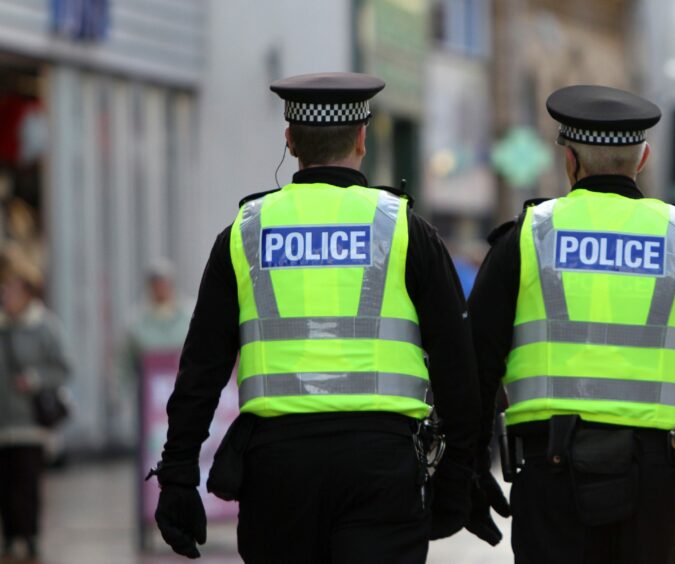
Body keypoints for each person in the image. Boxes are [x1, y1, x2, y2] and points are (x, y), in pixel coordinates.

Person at [149, 72, 479, 563]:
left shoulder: (245, 234)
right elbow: (458, 368)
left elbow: (201, 370)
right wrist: (460, 477)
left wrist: (178, 474)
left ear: (290, 140)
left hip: (278, 471)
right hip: (381, 467)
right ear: (363, 139)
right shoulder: (405, 230)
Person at [468, 85, 675, 563]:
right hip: (654, 478)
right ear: (643, 158)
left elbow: (476, 362)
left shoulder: (526, 238)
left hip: (549, 473)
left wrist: (466, 469)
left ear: (569, 160)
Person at [0, 247, 71, 560]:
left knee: (27, 484)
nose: (6, 295)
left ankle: (29, 537)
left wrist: (35, 379)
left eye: (13, 289)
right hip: (2, 421)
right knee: (4, 486)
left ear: (28, 293)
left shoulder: (44, 326)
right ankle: (9, 536)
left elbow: (64, 368)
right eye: (5, 289)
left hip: (30, 422)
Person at [114, 259, 190, 447]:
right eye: (156, 284)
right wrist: (119, 394)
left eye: (164, 283)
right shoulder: (136, 323)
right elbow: (124, 363)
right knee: (152, 447)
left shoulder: (189, 317)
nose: (160, 288)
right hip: (150, 402)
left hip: (185, 395)